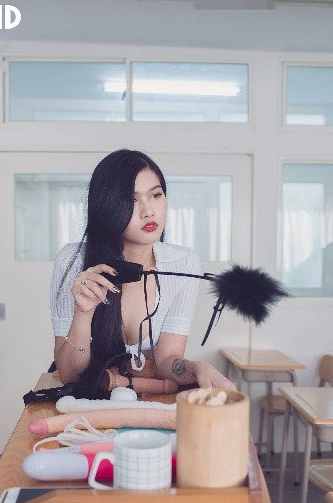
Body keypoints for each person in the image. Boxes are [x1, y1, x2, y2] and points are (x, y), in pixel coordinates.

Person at [50, 149, 235, 393]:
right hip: (86, 398)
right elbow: (70, 375)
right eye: (132, 199)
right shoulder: (72, 261)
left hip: (148, 394)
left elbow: (167, 360)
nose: (148, 211)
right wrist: (83, 314)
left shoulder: (184, 263)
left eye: (156, 195)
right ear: (108, 207)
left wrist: (199, 368)